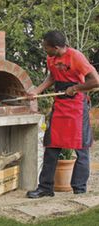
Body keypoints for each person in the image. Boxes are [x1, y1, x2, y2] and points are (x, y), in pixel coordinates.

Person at [26, 30, 99, 198]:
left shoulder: (76, 57)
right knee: (51, 146)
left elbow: (95, 81)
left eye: (46, 47)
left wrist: (75, 88)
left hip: (77, 107)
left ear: (57, 47)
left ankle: (79, 190)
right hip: (60, 105)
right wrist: (37, 91)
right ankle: (45, 188)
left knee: (81, 148)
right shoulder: (51, 58)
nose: (44, 50)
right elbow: (52, 77)